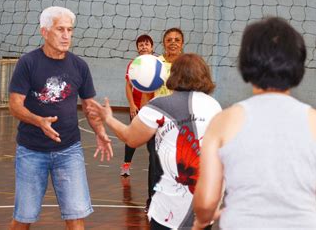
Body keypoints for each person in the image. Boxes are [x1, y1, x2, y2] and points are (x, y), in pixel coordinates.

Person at [192, 17, 316, 229]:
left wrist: (202, 221)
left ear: (245, 62)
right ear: (298, 63)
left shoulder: (223, 122)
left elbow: (207, 201)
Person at [8, 6, 113, 230]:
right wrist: (39, 121)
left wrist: (100, 132)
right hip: (31, 151)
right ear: (44, 32)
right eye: (60, 29)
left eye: (70, 30)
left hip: (69, 151)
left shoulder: (79, 66)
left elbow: (89, 107)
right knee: (23, 218)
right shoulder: (28, 63)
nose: (66, 36)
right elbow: (15, 106)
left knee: (76, 217)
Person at [88, 53, 222, 229]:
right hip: (206, 205)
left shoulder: (160, 105)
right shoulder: (214, 106)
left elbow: (131, 138)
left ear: (172, 75)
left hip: (170, 210)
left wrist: (108, 118)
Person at [144, 27, 185, 212]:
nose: (173, 42)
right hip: (157, 121)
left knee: (179, 164)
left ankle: (178, 202)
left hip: (180, 123)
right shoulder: (155, 63)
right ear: (164, 43)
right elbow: (146, 91)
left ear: (182, 43)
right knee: (155, 163)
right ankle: (152, 200)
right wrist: (144, 116)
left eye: (177, 39)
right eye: (169, 39)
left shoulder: (187, 65)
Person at [120, 34, 154, 176]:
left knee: (153, 140)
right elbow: (128, 86)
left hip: (153, 107)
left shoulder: (157, 63)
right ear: (138, 49)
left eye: (146, 44)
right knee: (132, 137)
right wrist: (132, 105)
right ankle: (126, 165)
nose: (144, 46)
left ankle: (157, 168)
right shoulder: (134, 64)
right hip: (137, 107)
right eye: (140, 45)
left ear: (152, 47)